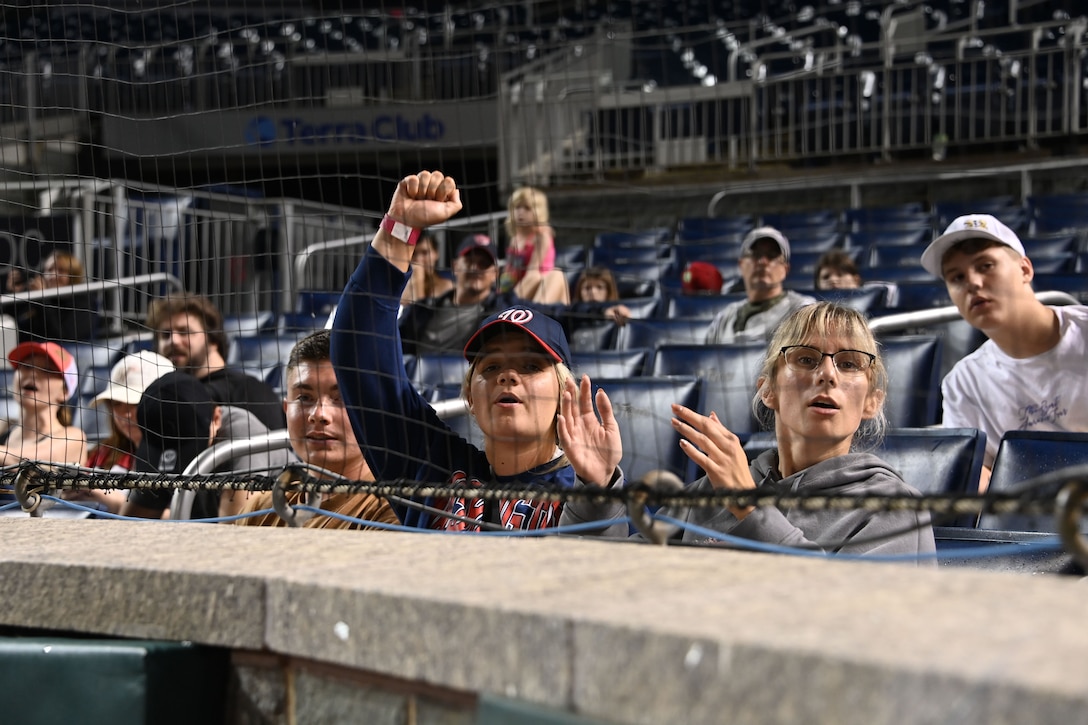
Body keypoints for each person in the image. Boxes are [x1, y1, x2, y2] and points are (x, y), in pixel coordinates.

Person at [330, 170, 624, 532]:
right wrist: (400, 229)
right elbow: (358, 354)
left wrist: (598, 493)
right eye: (490, 367)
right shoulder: (431, 462)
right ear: (470, 394)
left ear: (565, 394)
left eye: (531, 366)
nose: (507, 375)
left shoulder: (582, 488)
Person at [566, 302, 936, 560]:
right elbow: (615, 579)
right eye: (806, 358)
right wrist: (596, 493)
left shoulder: (895, 509)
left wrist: (750, 508)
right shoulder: (714, 489)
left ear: (872, 402)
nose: (827, 374)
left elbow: (845, 624)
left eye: (849, 363)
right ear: (768, 390)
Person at [921, 213, 1088, 488]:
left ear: (1025, 270)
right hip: (1028, 520)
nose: (972, 283)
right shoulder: (963, 382)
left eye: (985, 266)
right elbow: (977, 476)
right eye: (956, 277)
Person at [236, 330, 400, 529]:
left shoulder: (392, 510)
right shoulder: (260, 509)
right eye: (305, 398)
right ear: (286, 409)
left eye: (341, 398)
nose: (319, 414)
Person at [121, 371, 294, 520]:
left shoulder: (242, 438)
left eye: (185, 447)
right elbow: (133, 522)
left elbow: (235, 532)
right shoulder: (154, 447)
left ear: (216, 418)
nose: (176, 459)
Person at [147, 292, 285, 431]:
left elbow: (272, 450)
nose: (173, 341)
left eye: (185, 332)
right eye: (165, 335)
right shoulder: (164, 395)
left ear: (213, 340)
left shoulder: (250, 389)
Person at [74, 350, 176, 513]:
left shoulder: (182, 457)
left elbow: (183, 518)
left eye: (137, 402)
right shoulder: (104, 453)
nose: (126, 414)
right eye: (116, 404)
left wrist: (109, 498)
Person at [705, 227, 815, 343]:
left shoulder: (803, 311)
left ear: (785, 269)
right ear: (741, 265)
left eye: (772, 255)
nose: (762, 262)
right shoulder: (724, 318)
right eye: (755, 255)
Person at [0, 341, 86, 467]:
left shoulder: (73, 437)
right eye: (26, 366)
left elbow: (29, 463)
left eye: (47, 370)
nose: (33, 374)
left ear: (64, 392)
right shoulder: (4, 426)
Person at [499, 185, 570, 304]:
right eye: (517, 207)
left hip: (542, 288)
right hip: (518, 287)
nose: (520, 212)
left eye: (527, 208)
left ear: (538, 211)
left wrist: (508, 300)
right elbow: (509, 272)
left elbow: (533, 274)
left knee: (541, 276)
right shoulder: (515, 238)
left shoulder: (542, 236)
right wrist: (501, 292)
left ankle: (507, 306)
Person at [13, 250, 98, 345]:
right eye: (49, 270)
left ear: (73, 275)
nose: (53, 276)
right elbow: (14, 324)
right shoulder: (37, 298)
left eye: (61, 270)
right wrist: (14, 294)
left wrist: (42, 299)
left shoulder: (83, 299)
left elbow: (62, 338)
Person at [399, 232, 454, 306]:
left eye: (425, 253)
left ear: (436, 253)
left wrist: (418, 281)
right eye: (413, 253)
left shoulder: (447, 286)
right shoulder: (399, 289)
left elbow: (420, 314)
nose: (419, 260)